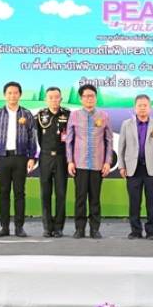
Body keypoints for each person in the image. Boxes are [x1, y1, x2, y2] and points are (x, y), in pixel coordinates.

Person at [0, 81, 37, 237]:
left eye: (15, 93)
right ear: (4, 95)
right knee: (3, 192)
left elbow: (32, 137)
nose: (12, 96)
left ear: (20, 95)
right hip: (2, 158)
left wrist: (32, 157)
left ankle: (19, 227)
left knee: (20, 193)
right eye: (9, 93)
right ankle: (4, 227)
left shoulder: (26, 114)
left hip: (21, 158)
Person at [66, 84, 113, 239]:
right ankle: (79, 229)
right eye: (86, 96)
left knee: (95, 198)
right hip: (79, 164)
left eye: (92, 96)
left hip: (97, 164)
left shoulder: (103, 115)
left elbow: (109, 140)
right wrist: (70, 161)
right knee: (80, 198)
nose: (89, 99)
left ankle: (95, 229)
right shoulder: (74, 116)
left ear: (96, 98)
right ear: (81, 98)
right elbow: (69, 141)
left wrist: (107, 162)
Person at [117, 94, 153, 240]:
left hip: (152, 168)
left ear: (150, 108)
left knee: (152, 202)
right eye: (140, 105)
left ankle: (151, 231)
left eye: (145, 105)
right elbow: (121, 147)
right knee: (134, 202)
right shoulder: (126, 124)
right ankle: (135, 230)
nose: (142, 108)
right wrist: (121, 166)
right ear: (135, 108)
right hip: (133, 168)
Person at [34, 86, 71, 238]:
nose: (54, 100)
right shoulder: (40, 115)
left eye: (57, 97)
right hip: (45, 157)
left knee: (61, 193)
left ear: (61, 99)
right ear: (46, 99)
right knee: (45, 193)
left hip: (62, 158)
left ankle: (59, 227)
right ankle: (47, 227)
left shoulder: (67, 115)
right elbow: (36, 137)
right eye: (51, 97)